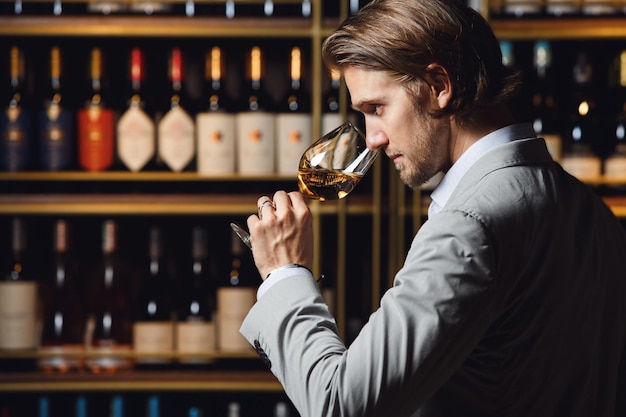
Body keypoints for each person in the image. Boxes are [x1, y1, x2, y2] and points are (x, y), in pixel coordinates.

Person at [239, 0, 626, 415]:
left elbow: (339, 404)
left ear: (439, 85)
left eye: (377, 108)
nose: (372, 138)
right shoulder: (590, 208)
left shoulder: (469, 227)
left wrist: (285, 272)